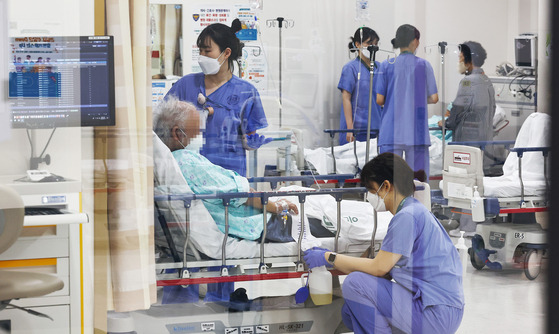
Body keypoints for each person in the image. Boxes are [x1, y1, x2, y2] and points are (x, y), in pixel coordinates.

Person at [153, 97, 297, 303]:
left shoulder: (166, 165)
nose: (200, 137)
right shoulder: (185, 161)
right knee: (315, 211)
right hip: (262, 224)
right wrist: (277, 206)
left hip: (240, 220)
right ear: (178, 133)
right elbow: (241, 192)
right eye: (197, 131)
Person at [304, 153, 464, 334]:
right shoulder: (416, 211)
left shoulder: (407, 217)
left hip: (434, 313)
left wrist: (328, 256)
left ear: (386, 185)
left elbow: (378, 268)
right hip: (442, 309)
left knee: (355, 284)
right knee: (351, 312)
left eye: (372, 191)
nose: (370, 197)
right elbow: (383, 271)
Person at [165, 19, 268, 177]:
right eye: (200, 51)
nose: (201, 56)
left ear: (226, 53)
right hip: (190, 177)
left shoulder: (246, 92)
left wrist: (251, 140)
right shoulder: (185, 86)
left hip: (228, 178)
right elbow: (161, 126)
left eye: (207, 51)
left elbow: (250, 139)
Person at [376, 24, 439, 177]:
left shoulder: (386, 65)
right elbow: (434, 98)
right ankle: (417, 201)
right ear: (415, 42)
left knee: (389, 180)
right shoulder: (424, 65)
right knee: (418, 182)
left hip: (391, 131)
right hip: (416, 132)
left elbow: (379, 99)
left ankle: (392, 202)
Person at [338, 27, 382, 145]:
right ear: (357, 44)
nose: (373, 47)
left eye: (375, 44)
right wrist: (349, 128)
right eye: (369, 43)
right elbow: (346, 99)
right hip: (356, 128)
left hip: (376, 126)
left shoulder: (380, 68)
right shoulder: (351, 68)